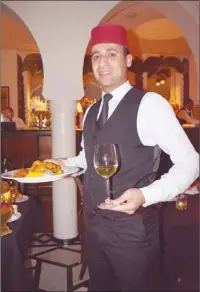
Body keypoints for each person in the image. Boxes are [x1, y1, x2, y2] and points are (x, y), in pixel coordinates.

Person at [46, 24, 199, 291]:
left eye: (111, 54)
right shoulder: (91, 111)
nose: (102, 62)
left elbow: (190, 161)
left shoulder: (150, 104)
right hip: (93, 228)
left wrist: (145, 195)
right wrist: (66, 163)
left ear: (128, 60)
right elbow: (88, 158)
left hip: (133, 233)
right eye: (96, 56)